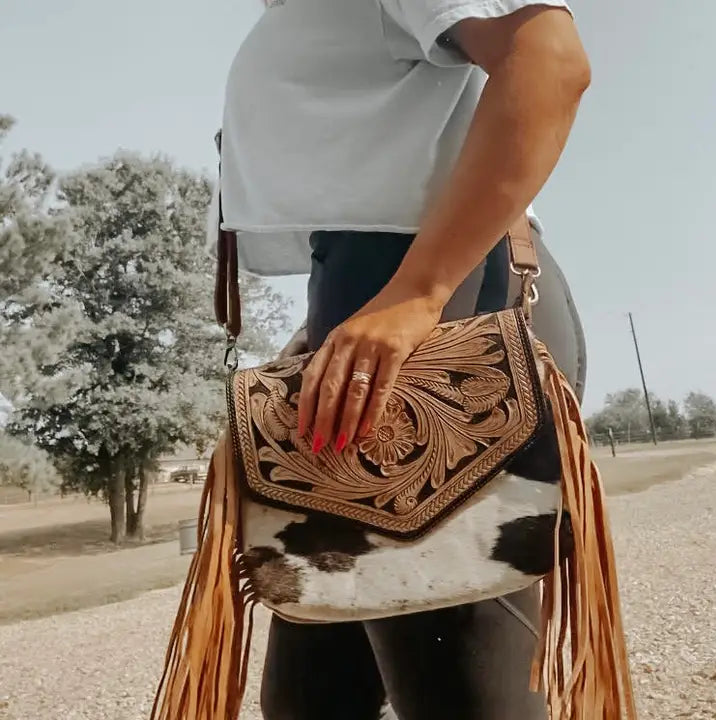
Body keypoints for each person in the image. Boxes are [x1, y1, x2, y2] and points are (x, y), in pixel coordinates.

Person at [217, 1, 590, 718]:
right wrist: (335, 325)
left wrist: (415, 293)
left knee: (460, 694)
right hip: (379, 293)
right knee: (311, 701)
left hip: (439, 304)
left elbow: (549, 59)